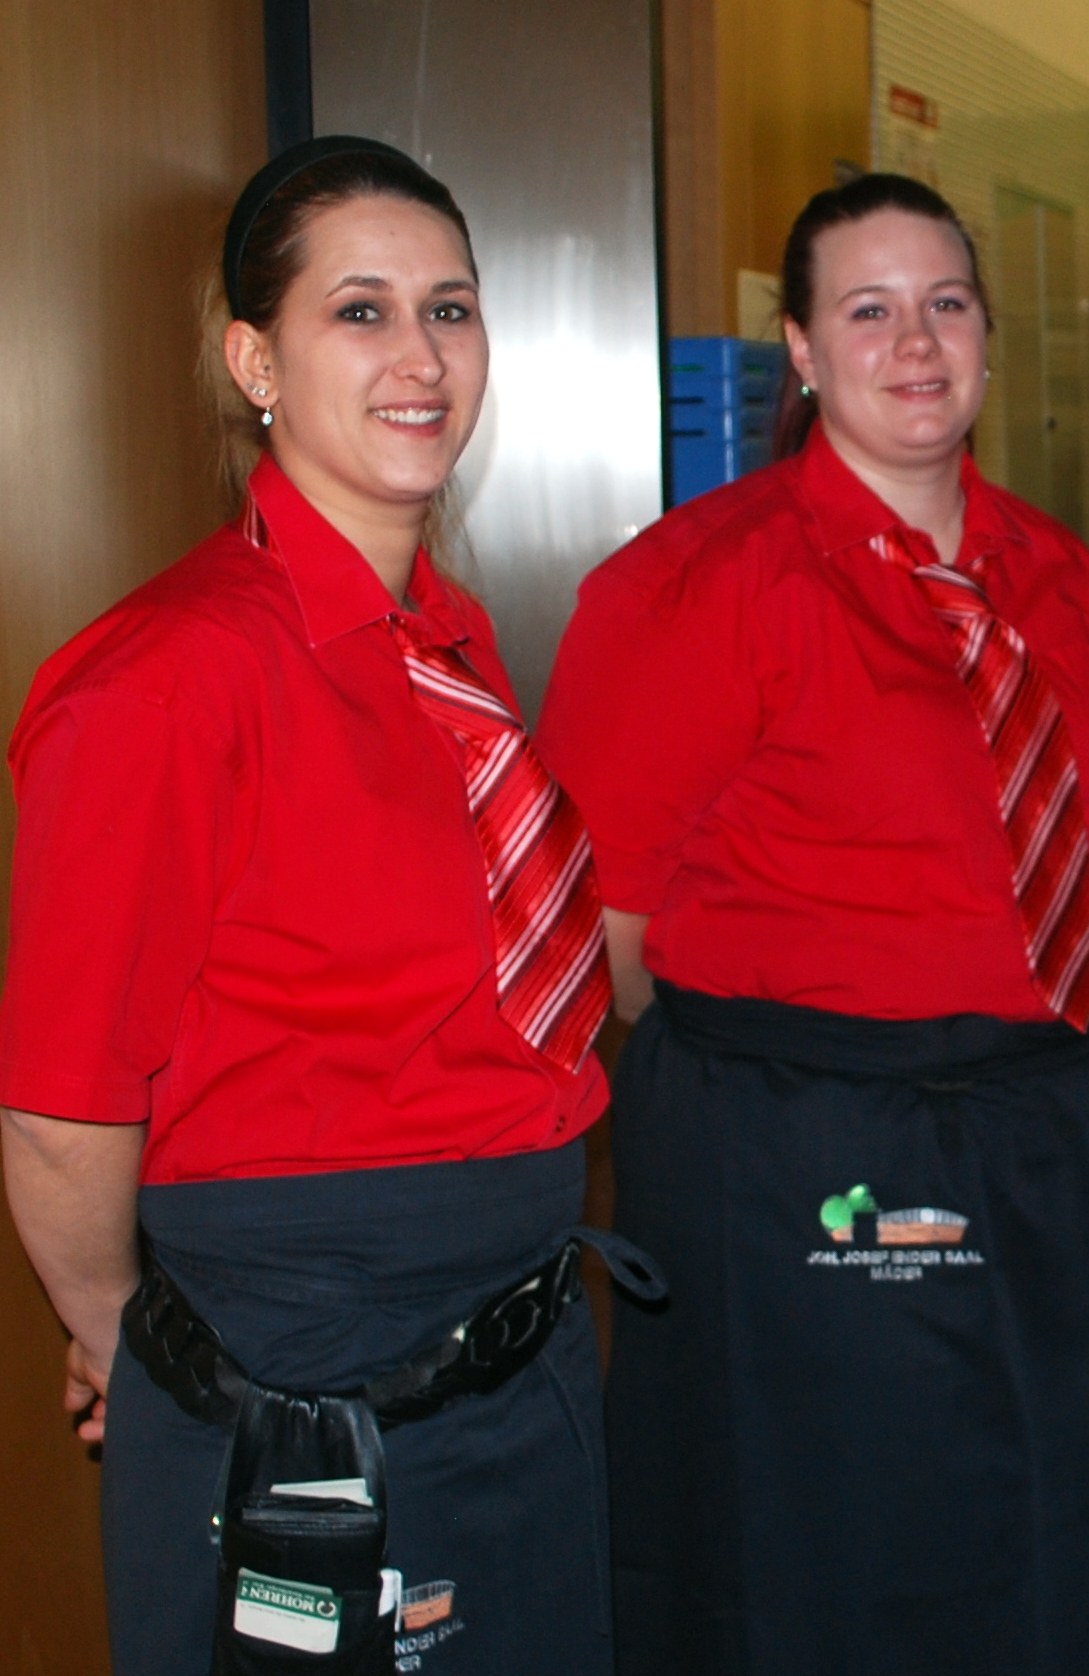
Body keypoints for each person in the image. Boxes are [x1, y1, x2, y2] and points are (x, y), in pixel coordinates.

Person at [0, 136, 636, 1675]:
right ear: (254, 360)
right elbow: (62, 1111)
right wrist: (128, 1338)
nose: (421, 356)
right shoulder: (166, 682)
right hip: (300, 1376)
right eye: (362, 311)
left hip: (521, 1353)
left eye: (450, 308)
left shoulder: (450, 644)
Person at [535, 172, 1089, 1674]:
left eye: (946, 304)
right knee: (821, 1558)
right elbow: (602, 931)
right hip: (801, 1146)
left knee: (1021, 1532)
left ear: (989, 336)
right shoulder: (697, 582)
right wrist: (780, 1095)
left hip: (1035, 1128)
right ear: (803, 352)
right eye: (868, 311)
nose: (916, 343)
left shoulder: (1060, 580)